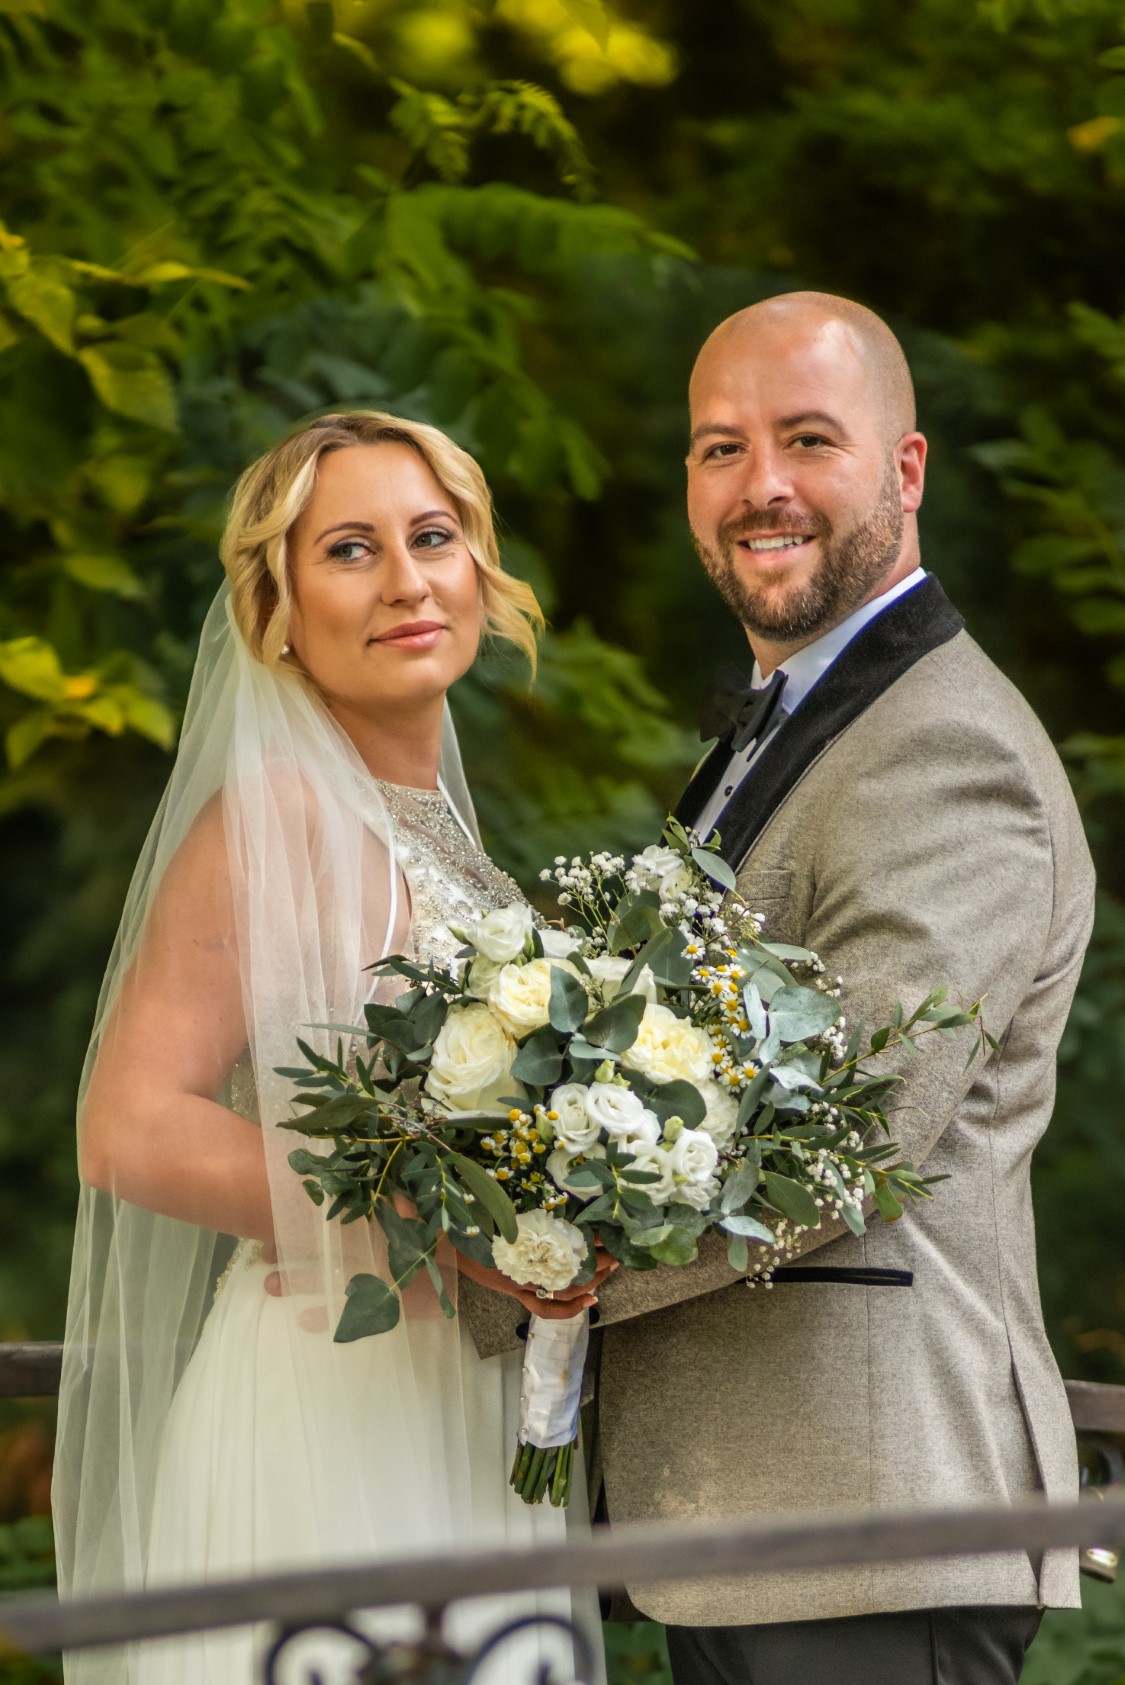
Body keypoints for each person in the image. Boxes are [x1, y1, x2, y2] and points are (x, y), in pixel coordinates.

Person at [462, 293, 1095, 1685]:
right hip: (761, 1516)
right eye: (721, 447)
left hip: (872, 1517)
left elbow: (853, 1132)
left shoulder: (946, 751)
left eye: (809, 439)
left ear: (907, 468)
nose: (762, 485)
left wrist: (530, 1271)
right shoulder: (793, 721)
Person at [52, 412, 608, 1685]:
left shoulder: (441, 833)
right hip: (330, 1399)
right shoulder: (279, 812)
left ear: (480, 571)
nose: (408, 580)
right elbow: (129, 1123)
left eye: (434, 537)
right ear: (279, 610)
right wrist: (435, 1225)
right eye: (351, 549)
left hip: (460, 1392)